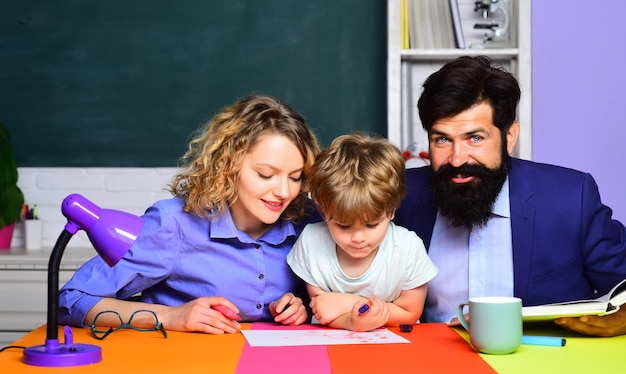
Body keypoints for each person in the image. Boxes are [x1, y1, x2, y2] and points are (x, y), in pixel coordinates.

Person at [394, 56, 626, 337]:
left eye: (475, 138)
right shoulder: (397, 194)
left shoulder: (570, 198)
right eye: (442, 139)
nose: (456, 159)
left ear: (510, 136)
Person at [59, 94, 321, 334]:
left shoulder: (307, 220)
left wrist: (302, 308)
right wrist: (170, 316)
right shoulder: (173, 224)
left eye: (296, 177)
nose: (284, 192)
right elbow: (70, 300)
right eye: (266, 175)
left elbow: (336, 299)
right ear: (228, 164)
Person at [287, 133, 438, 332]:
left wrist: (347, 303)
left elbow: (410, 312)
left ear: (391, 210)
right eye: (343, 226)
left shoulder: (408, 248)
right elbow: (322, 309)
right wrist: (353, 322)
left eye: (372, 225)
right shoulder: (311, 243)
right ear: (324, 211)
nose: (358, 238)